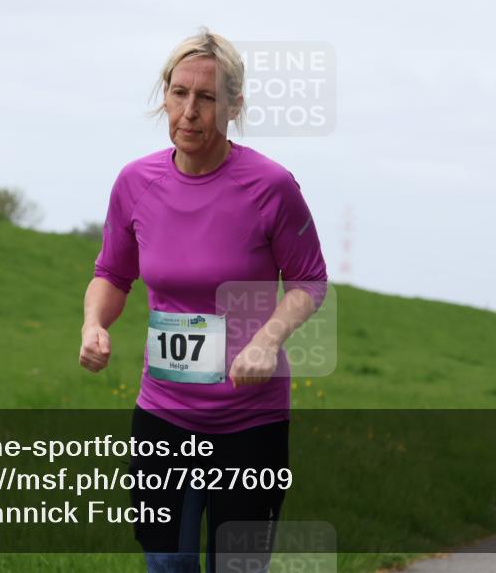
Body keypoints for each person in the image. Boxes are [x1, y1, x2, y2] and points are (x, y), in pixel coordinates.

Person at [79, 28, 328, 572]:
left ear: (234, 105)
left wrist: (267, 341)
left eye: (207, 97)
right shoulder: (135, 183)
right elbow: (112, 275)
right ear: (164, 95)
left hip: (250, 420)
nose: (189, 111)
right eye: (179, 93)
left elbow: (310, 280)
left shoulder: (270, 186)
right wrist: (94, 324)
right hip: (164, 414)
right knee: (166, 564)